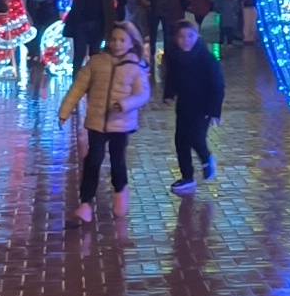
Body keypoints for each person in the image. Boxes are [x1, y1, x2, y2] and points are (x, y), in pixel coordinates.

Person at [59, 21, 152, 224]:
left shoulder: (135, 67)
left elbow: (143, 93)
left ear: (130, 43)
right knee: (93, 160)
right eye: (114, 39)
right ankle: (85, 203)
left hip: (121, 123)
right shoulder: (96, 62)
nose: (117, 44)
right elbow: (78, 87)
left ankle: (120, 192)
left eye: (122, 40)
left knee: (118, 161)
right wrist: (65, 110)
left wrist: (126, 104)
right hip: (97, 122)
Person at [161, 20, 225, 195]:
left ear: (198, 36)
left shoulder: (206, 59)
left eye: (190, 36)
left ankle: (206, 159)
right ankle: (187, 176)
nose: (186, 40)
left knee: (196, 137)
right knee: (181, 140)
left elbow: (217, 85)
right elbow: (171, 77)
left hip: (203, 106)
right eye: (181, 36)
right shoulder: (175, 57)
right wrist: (169, 94)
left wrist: (215, 111)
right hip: (184, 104)